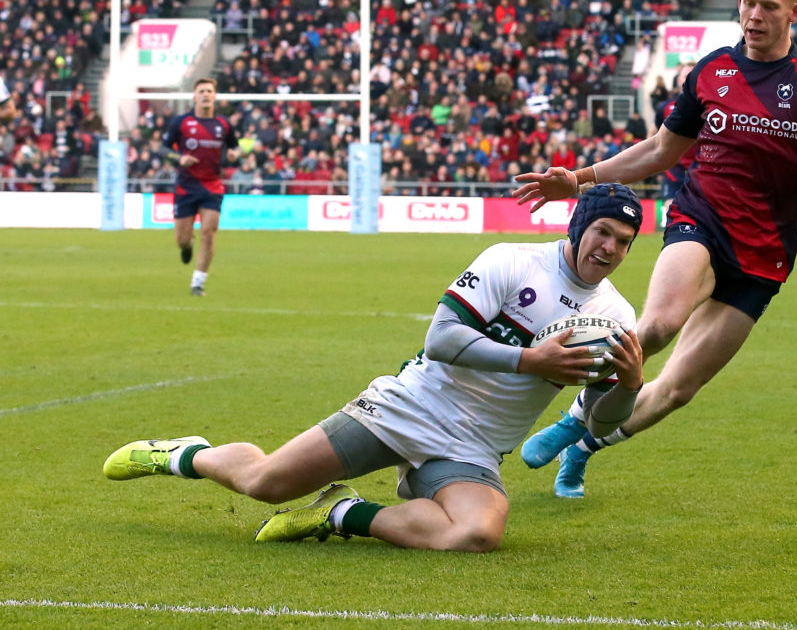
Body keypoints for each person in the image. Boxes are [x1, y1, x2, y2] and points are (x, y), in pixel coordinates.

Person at [513, 0, 797, 498]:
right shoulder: (712, 70)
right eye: (746, 2)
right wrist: (578, 179)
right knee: (655, 327)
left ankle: (585, 447)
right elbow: (659, 150)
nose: (753, 15)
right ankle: (579, 412)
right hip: (700, 221)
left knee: (678, 388)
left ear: (793, 12)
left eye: (767, 6)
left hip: (764, 254)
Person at [102, 184, 646, 552]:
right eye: (602, 232)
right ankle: (185, 454)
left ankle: (342, 513)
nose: (609, 248)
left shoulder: (616, 316)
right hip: (407, 406)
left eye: (622, 242)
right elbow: (441, 339)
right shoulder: (512, 261)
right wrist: (531, 359)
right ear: (578, 225)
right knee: (267, 483)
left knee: (478, 534)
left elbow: (600, 422)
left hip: (473, 448)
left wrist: (630, 385)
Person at [159, 78, 239, 296]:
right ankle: (187, 246)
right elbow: (163, 149)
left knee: (209, 232)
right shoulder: (181, 122)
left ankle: (198, 283)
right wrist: (179, 158)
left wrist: (234, 154)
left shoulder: (223, 124)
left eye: (209, 91)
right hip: (186, 187)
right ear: (194, 96)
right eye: (201, 91)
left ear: (214, 96)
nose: (206, 94)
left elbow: (236, 146)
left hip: (212, 186)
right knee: (182, 240)